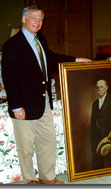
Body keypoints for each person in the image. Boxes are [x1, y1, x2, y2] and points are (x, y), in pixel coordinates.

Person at [1, 5, 91, 184]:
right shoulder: (12, 45)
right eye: (34, 18)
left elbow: (51, 58)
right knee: (26, 146)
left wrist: (74, 60)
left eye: (41, 19)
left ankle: (47, 176)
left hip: (44, 101)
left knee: (48, 142)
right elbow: (9, 78)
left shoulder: (40, 40)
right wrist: (16, 106)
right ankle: (29, 180)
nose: (38, 22)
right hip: (24, 105)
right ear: (24, 19)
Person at [90, 79, 111, 170]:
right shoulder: (94, 104)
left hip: (110, 139)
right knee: (97, 168)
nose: (99, 89)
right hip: (98, 141)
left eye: (102, 87)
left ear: (106, 88)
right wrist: (93, 142)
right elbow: (92, 125)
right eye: (97, 87)